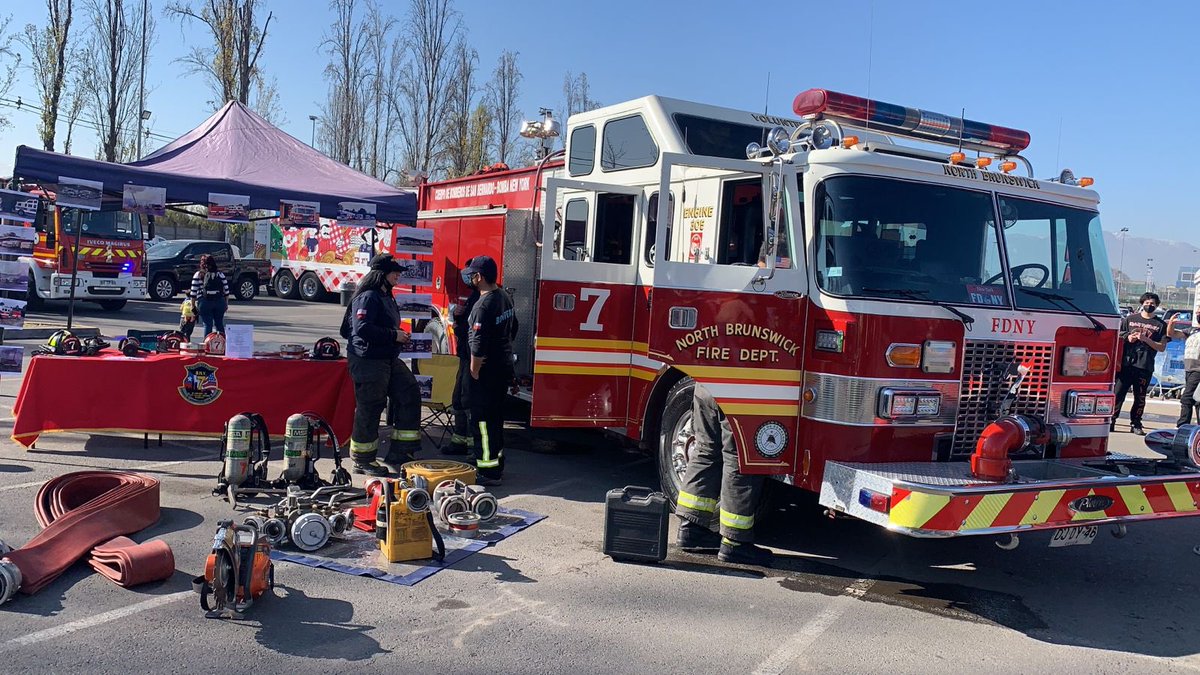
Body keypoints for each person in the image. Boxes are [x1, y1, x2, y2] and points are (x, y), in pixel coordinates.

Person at [675, 383, 774, 567]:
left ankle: (691, 529)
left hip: (707, 383)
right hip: (739, 388)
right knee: (741, 460)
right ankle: (734, 542)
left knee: (706, 450)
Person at [342, 253, 423, 476]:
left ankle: (402, 451)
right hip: (368, 360)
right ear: (382, 274)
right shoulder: (369, 296)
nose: (398, 275)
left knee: (409, 392)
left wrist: (396, 337)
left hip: (386, 357)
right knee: (371, 406)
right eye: (394, 272)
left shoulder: (386, 295)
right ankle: (363, 459)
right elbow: (362, 329)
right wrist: (393, 336)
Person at [465, 255, 517, 486]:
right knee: (495, 419)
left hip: (486, 373)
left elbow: (477, 342)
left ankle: (487, 470)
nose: (470, 278)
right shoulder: (504, 297)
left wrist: (474, 370)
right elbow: (513, 328)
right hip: (502, 367)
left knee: (483, 422)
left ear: (479, 277)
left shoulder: (483, 305)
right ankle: (496, 461)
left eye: (472, 274)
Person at [1113, 292, 1170, 435]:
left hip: (1145, 365)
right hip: (1126, 364)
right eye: (1147, 303)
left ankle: (1136, 423)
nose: (1149, 305)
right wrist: (1129, 337)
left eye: (1152, 304)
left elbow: (1161, 346)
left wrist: (1145, 339)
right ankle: (1112, 420)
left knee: (1140, 397)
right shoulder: (1130, 319)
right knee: (1118, 394)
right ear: (1142, 303)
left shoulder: (1160, 324)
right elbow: (1118, 334)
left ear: (1157, 306)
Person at [444, 258, 481, 456]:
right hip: (465, 357)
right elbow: (464, 328)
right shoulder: (474, 297)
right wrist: (457, 317)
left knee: (468, 402)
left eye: (470, 272)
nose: (467, 276)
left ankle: (472, 446)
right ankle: (459, 442)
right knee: (458, 399)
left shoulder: (486, 299)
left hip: (474, 359)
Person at [1168, 317, 1200, 427]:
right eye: (1197, 312)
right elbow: (1172, 333)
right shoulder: (1191, 331)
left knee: (1187, 398)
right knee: (1197, 399)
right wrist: (1171, 323)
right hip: (1189, 368)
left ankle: (1182, 425)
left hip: (1198, 370)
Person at [189, 254, 229, 336]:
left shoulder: (198, 274)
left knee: (208, 324)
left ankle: (207, 346)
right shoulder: (220, 274)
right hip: (219, 302)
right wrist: (226, 304)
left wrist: (193, 306)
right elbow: (226, 291)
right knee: (219, 324)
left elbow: (193, 292)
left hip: (204, 302)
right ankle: (222, 344)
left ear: (202, 264)